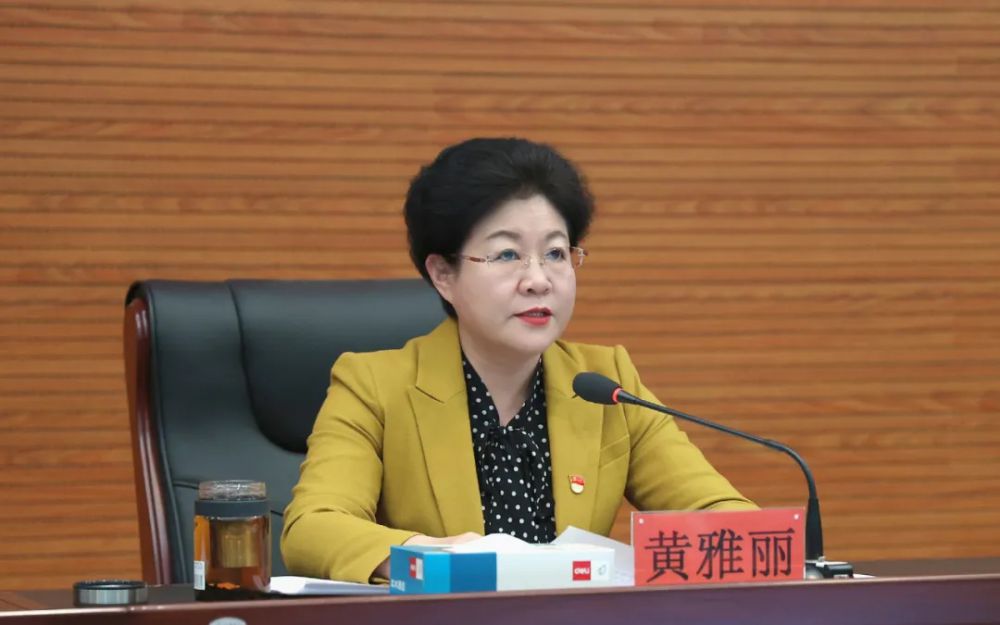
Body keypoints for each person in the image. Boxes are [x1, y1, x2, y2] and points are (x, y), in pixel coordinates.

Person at [281, 137, 755, 584]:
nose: (538, 280)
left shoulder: (605, 383)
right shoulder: (374, 386)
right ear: (443, 274)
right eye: (507, 254)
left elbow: (721, 514)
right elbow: (313, 528)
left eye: (555, 253)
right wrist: (434, 556)